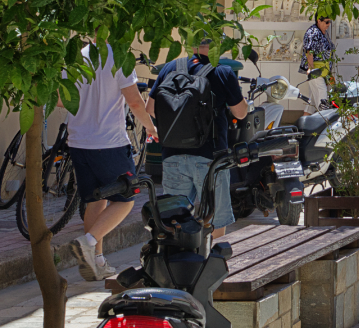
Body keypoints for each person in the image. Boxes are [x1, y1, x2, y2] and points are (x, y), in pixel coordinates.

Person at [66, 43, 156, 279]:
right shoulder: (118, 57)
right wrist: (150, 127)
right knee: (126, 198)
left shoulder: (76, 55)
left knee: (95, 200)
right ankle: (88, 242)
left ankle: (96, 262)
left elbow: (60, 100)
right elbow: (135, 102)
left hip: (78, 141)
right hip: (109, 143)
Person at [152, 41, 247, 238]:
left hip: (172, 155)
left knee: (173, 220)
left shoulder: (170, 68)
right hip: (210, 158)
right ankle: (213, 262)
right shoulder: (223, 72)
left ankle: (177, 264)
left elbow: (149, 109)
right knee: (215, 221)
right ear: (216, 45)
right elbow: (240, 112)